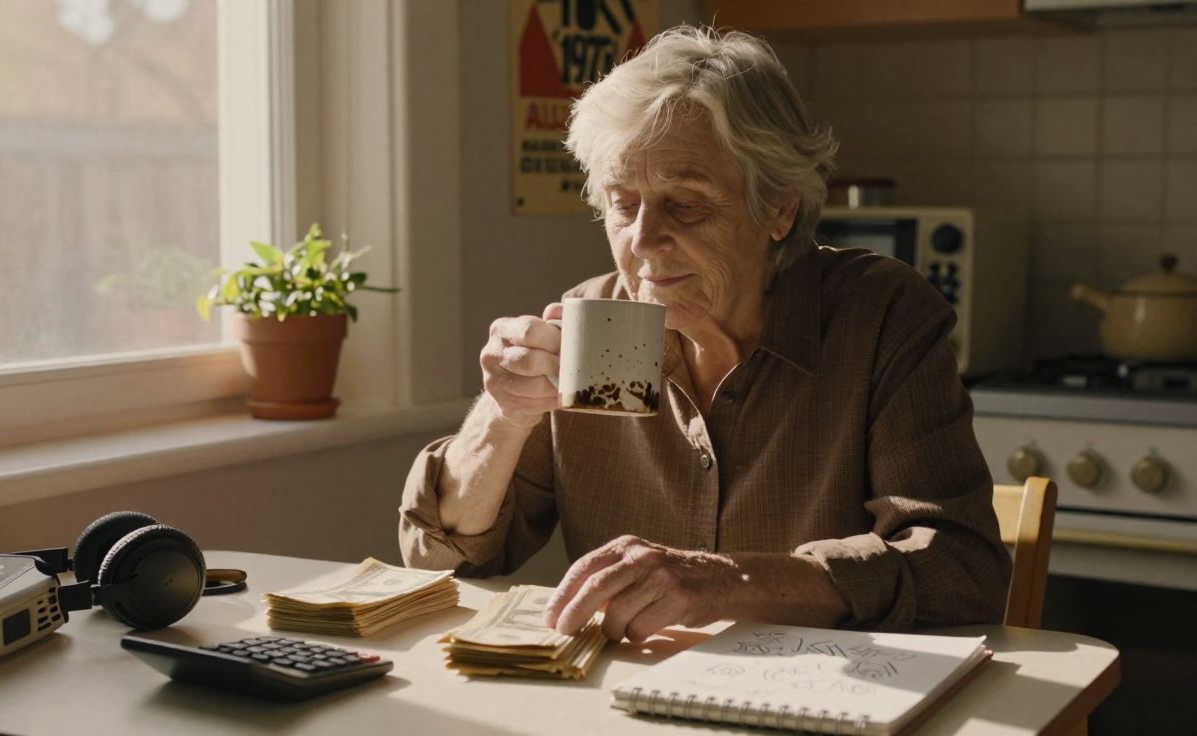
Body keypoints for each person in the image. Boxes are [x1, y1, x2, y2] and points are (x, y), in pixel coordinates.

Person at [399, 26, 1011, 641]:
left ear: (779, 208)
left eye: (684, 204)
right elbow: (443, 555)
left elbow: (961, 574)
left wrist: (725, 583)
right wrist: (503, 417)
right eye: (621, 202)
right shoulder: (596, 324)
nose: (640, 241)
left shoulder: (877, 316)